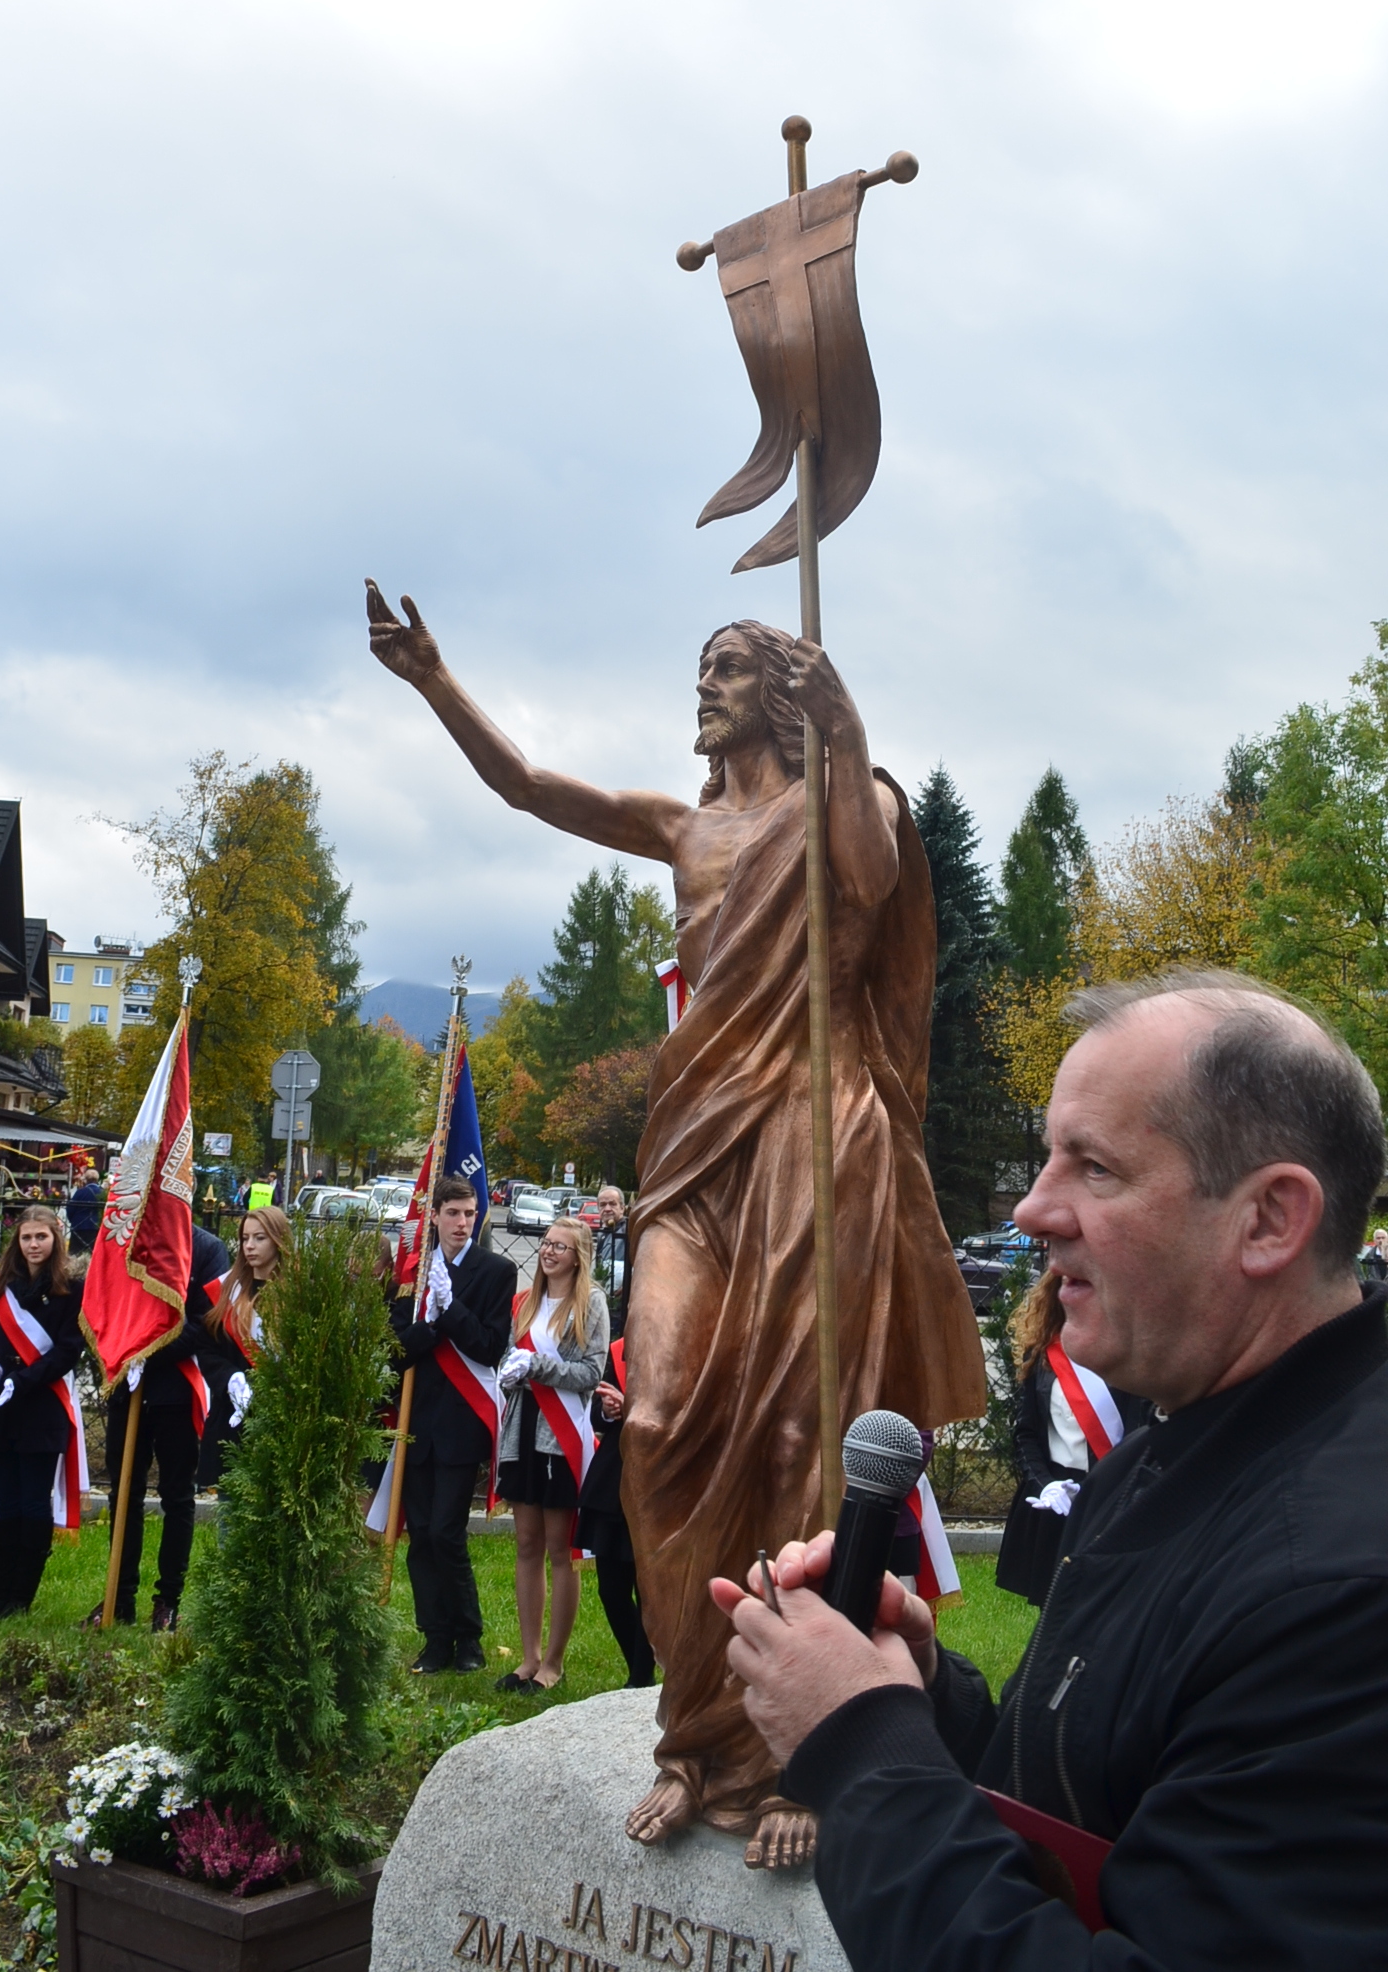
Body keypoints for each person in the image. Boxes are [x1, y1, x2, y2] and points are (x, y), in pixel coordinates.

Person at [368, 586, 984, 1858]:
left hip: (818, 1131)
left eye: (727, 668)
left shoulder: (854, 800)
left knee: (805, 1436)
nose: (703, 686)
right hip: (699, 1145)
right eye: (701, 667)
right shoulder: (684, 827)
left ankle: (808, 1745)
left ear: (783, 690)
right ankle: (700, 1732)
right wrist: (434, 680)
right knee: (651, 1425)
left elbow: (871, 883)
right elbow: (532, 787)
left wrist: (845, 727)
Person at [713, 970, 1388, 1965]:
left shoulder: (1342, 1594)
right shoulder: (1167, 1450)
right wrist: (922, 1699)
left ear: (1268, 1220)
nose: (1032, 1209)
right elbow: (1098, 1798)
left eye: (1095, 1168)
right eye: (1046, 1159)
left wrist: (862, 1747)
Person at [389, 1173, 513, 1675]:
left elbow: (489, 1347)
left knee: (446, 1532)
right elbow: (395, 1349)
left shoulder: (496, 1271)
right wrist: (432, 1323)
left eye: (470, 1214)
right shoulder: (414, 1272)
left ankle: (469, 1638)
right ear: (435, 1216)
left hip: (461, 1423)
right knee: (420, 1534)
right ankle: (435, 1638)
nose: (463, 1223)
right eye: (454, 1213)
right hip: (418, 1420)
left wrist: (453, 1308)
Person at [87, 1220, 230, 1631]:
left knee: (177, 1496)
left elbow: (206, 1321)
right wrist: (122, 1353)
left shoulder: (207, 1248)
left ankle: (168, 1601)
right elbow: (104, 1303)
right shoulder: (126, 1240)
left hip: (175, 1390)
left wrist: (148, 1355)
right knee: (123, 1494)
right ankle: (119, 1596)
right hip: (127, 1387)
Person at [494, 1218, 609, 1694]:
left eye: (560, 1247)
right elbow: (510, 1358)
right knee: (526, 1543)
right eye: (546, 1243)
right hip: (522, 1433)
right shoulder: (525, 1302)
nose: (549, 1252)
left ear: (578, 1257)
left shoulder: (591, 1303)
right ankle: (529, 1658)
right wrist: (511, 1371)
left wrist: (536, 1365)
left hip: (559, 1438)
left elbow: (590, 1374)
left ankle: (554, 1663)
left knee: (560, 1548)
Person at [994, 1271, 1150, 1605]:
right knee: (1053, 1606)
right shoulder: (1041, 1355)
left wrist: (1117, 1488)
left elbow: (1142, 1431)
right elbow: (1026, 1434)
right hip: (1058, 1495)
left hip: (1113, 1493)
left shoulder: (1129, 1355)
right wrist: (1045, 1485)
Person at [0, 1206, 86, 1618]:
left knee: (34, 1503)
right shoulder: (1, 1286)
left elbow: (68, 1351)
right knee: (6, 1503)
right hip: (0, 1407)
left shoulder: (71, 1289)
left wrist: (23, 1379)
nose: (34, 1245)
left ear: (56, 1239)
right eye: (26, 1238)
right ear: (16, 1242)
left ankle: (21, 1597)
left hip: (41, 1405)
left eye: (41, 1237)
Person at [576, 1251, 653, 1689]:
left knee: (651, 1587)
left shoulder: (692, 1346)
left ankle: (642, 1676)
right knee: (611, 1588)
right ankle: (638, 1669)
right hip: (615, 1477)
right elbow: (597, 1412)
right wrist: (609, 1411)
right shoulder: (621, 1349)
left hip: (661, 1480)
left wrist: (635, 1409)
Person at [197, 1205, 291, 1491]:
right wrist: (229, 1378)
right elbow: (207, 1348)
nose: (249, 1246)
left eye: (259, 1238)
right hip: (232, 1417)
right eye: (244, 1238)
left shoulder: (300, 1292)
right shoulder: (226, 1290)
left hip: (282, 1418)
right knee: (230, 1507)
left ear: (279, 1240)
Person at [592, 1186, 629, 1324]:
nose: (607, 1209)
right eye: (602, 1205)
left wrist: (629, 1284)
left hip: (626, 1304)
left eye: (613, 1204)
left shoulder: (629, 1230)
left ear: (622, 1208)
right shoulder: (603, 1233)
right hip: (608, 1301)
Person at [66, 1165, 105, 1254]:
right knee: (93, 1253)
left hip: (79, 1226)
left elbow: (70, 1208)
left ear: (86, 1180)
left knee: (76, 1253)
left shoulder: (80, 1192)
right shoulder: (103, 1192)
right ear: (97, 1179)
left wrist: (73, 1220)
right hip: (96, 1227)